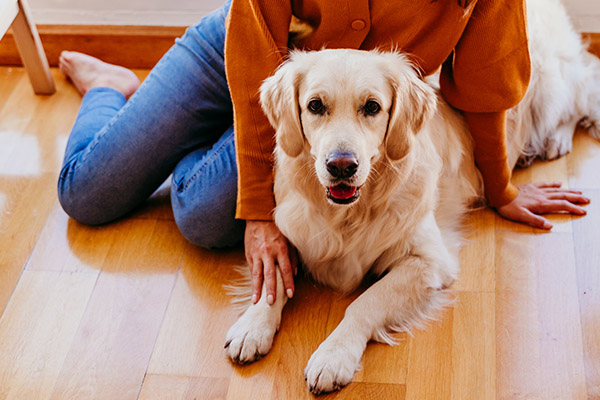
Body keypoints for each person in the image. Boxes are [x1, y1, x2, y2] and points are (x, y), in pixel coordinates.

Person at [57, 0, 589, 307]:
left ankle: (188, 130)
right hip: (245, 56)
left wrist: (501, 189)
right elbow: (250, 67)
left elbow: (486, 85)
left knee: (199, 214)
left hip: (329, 113)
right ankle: (112, 87)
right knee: (86, 191)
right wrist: (261, 211)